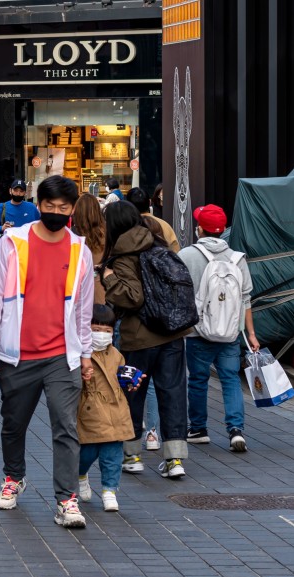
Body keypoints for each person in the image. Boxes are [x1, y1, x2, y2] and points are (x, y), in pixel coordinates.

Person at [0, 175, 94, 528]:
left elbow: (84, 310)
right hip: (18, 354)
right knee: (14, 423)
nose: (56, 212)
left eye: (63, 208)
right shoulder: (13, 244)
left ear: (72, 209)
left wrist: (86, 353)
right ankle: (14, 477)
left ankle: (67, 499)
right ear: (38, 205)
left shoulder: (79, 250)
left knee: (65, 427)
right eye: (50, 206)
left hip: (63, 355)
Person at [100, 201, 192, 479]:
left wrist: (109, 279)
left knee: (132, 393)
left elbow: (133, 297)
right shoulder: (159, 245)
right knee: (173, 393)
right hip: (172, 335)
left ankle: (132, 455)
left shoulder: (122, 256)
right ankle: (175, 459)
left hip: (138, 340)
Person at [178, 204, 258, 452]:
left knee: (198, 380)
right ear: (222, 230)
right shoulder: (238, 258)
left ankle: (199, 429)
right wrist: (251, 335)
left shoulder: (187, 255)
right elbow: (245, 299)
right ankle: (236, 430)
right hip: (231, 332)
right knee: (231, 379)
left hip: (197, 330)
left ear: (199, 229)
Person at [77, 304, 139, 512]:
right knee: (86, 453)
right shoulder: (80, 354)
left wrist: (130, 381)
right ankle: (81, 475)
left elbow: (121, 378)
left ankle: (109, 491)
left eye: (107, 331)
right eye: (96, 329)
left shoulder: (116, 355)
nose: (102, 335)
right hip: (91, 412)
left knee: (112, 456)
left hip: (116, 411)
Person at [127, 187, 179, 252]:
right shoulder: (164, 225)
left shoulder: (125, 226)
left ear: (127, 205)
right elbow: (175, 251)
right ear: (149, 202)